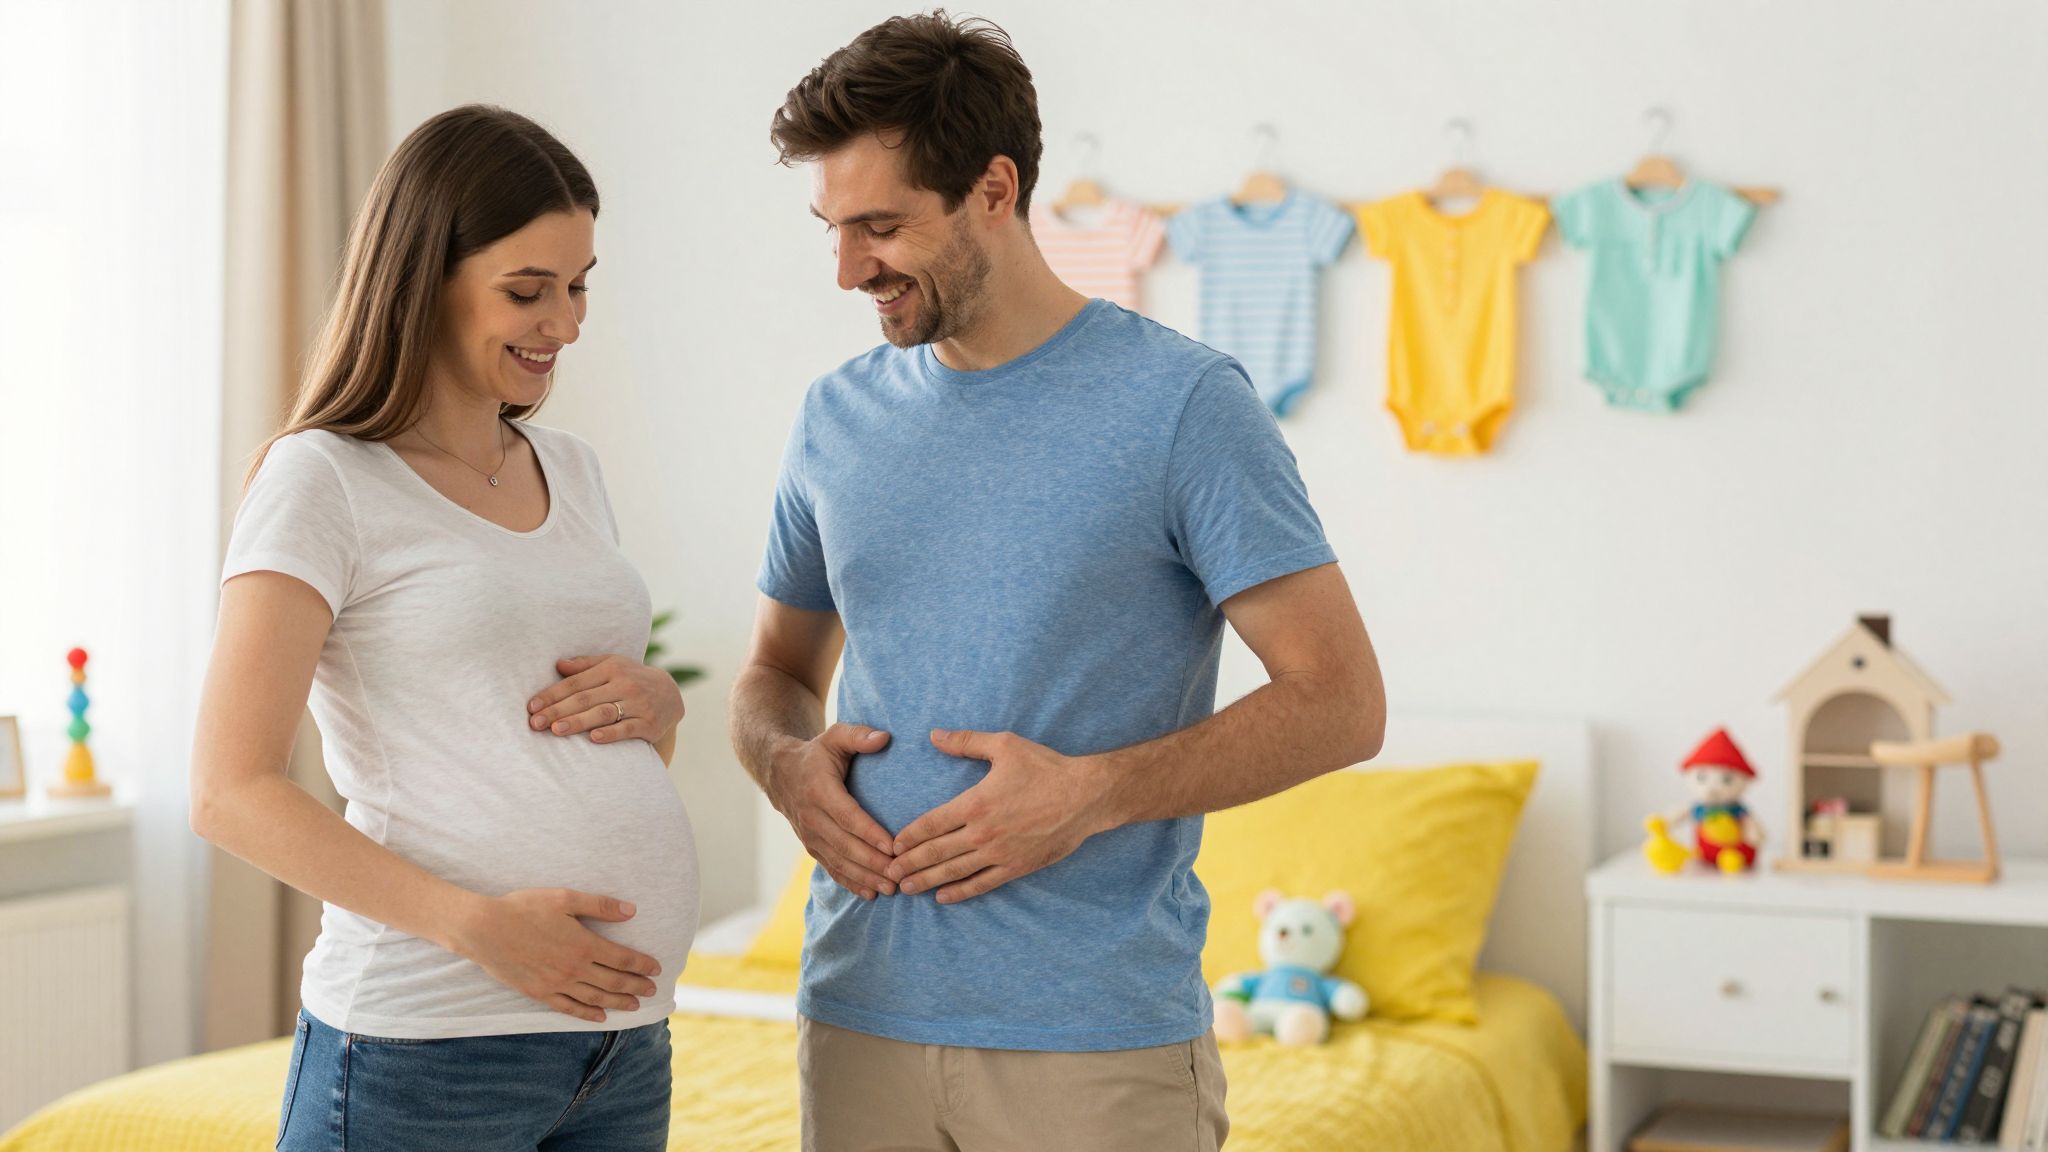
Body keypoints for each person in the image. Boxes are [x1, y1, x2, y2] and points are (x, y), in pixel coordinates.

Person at [729, 14, 1386, 1151]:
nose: (847, 270)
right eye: (833, 229)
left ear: (993, 189)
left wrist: (1091, 793)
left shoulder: (1183, 406)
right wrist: (784, 767)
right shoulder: (835, 417)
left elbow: (1341, 701)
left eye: (880, 226)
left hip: (1095, 1047)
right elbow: (773, 673)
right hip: (855, 1018)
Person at [191, 104, 696, 1151]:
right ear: (425, 279)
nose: (565, 324)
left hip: (619, 1050)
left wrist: (659, 707)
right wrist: (479, 928)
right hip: (427, 1049)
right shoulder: (322, 478)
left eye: (579, 286)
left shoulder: (574, 471)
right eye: (527, 290)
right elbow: (228, 791)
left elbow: (537, 742)